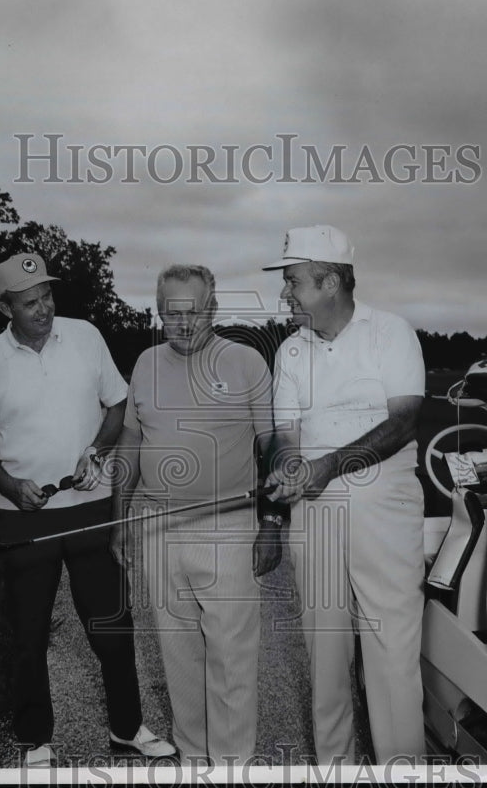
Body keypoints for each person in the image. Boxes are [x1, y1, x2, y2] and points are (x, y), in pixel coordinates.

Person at [0, 253, 173, 766]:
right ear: (5, 306)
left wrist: (96, 449)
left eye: (48, 295)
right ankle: (36, 738)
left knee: (112, 625)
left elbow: (116, 405)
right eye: (30, 301)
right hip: (23, 514)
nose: (44, 308)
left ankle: (127, 727)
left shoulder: (85, 335)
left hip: (89, 506)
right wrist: (11, 486)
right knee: (29, 632)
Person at [262, 225, 426, 763]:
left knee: (392, 651)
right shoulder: (288, 352)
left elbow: (402, 424)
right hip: (314, 509)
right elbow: (286, 437)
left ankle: (402, 771)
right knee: (325, 654)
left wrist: (329, 464)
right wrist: (289, 469)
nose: (285, 294)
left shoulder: (392, 332)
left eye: (294, 282)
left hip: (384, 505)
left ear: (330, 281)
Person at [111, 265, 279, 765]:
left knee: (230, 657)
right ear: (159, 311)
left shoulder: (246, 362)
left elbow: (272, 448)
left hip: (227, 525)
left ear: (213, 309)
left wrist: (271, 524)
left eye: (194, 312)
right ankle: (191, 757)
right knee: (178, 653)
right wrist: (120, 521)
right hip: (160, 525)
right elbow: (131, 442)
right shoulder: (144, 362)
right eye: (170, 313)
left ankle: (231, 766)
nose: (182, 324)